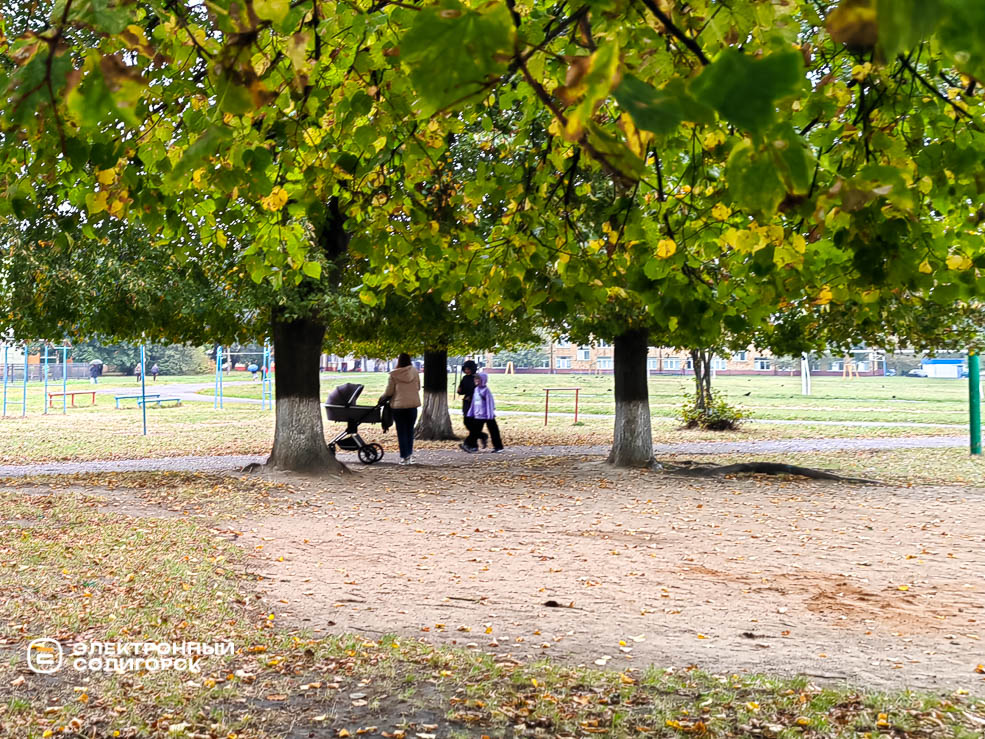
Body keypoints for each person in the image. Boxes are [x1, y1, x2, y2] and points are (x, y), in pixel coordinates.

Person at [380, 353, 421, 465]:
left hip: (398, 407)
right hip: (412, 405)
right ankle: (410, 455)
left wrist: (383, 398)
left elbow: (389, 391)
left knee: (401, 431)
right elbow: (418, 387)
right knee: (409, 431)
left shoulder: (394, 374)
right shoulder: (414, 372)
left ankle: (404, 456)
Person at [462, 372, 504, 453]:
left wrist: (490, 414)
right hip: (478, 415)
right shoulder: (476, 390)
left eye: (478, 379)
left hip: (488, 415)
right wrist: (471, 412)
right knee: (475, 431)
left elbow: (490, 403)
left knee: (494, 431)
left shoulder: (486, 391)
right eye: (475, 379)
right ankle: (471, 446)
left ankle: (498, 447)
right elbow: (474, 403)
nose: (476, 380)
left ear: (483, 380)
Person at [456, 360, 488, 450]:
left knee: (473, 424)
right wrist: (459, 391)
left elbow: (478, 389)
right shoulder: (465, 378)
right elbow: (462, 390)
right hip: (466, 403)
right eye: (465, 369)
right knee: (467, 422)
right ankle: (482, 436)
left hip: (475, 403)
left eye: (468, 369)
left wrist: (471, 396)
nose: (467, 371)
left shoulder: (477, 378)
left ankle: (472, 445)